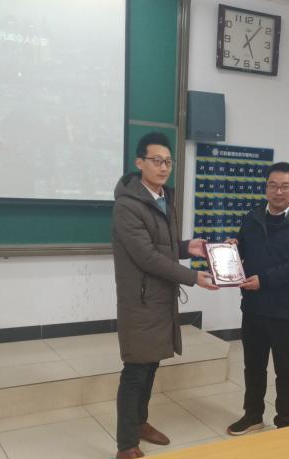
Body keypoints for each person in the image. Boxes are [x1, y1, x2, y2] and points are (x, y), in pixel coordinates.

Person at [111, 132, 219, 459]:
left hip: (161, 299)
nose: (163, 168)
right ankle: (126, 445)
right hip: (141, 301)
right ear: (139, 162)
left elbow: (163, 247)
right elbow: (146, 256)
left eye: (168, 162)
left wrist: (187, 247)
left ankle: (140, 423)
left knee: (151, 366)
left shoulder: (163, 198)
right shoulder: (127, 206)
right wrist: (193, 277)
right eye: (157, 161)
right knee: (136, 370)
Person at [226, 161, 289, 435]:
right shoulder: (252, 217)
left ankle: (285, 423)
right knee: (253, 366)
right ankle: (253, 415)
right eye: (273, 186)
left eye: (285, 186)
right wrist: (232, 249)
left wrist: (264, 280)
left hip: (286, 310)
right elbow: (243, 249)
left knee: (286, 369)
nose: (279, 192)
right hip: (253, 307)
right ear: (266, 187)